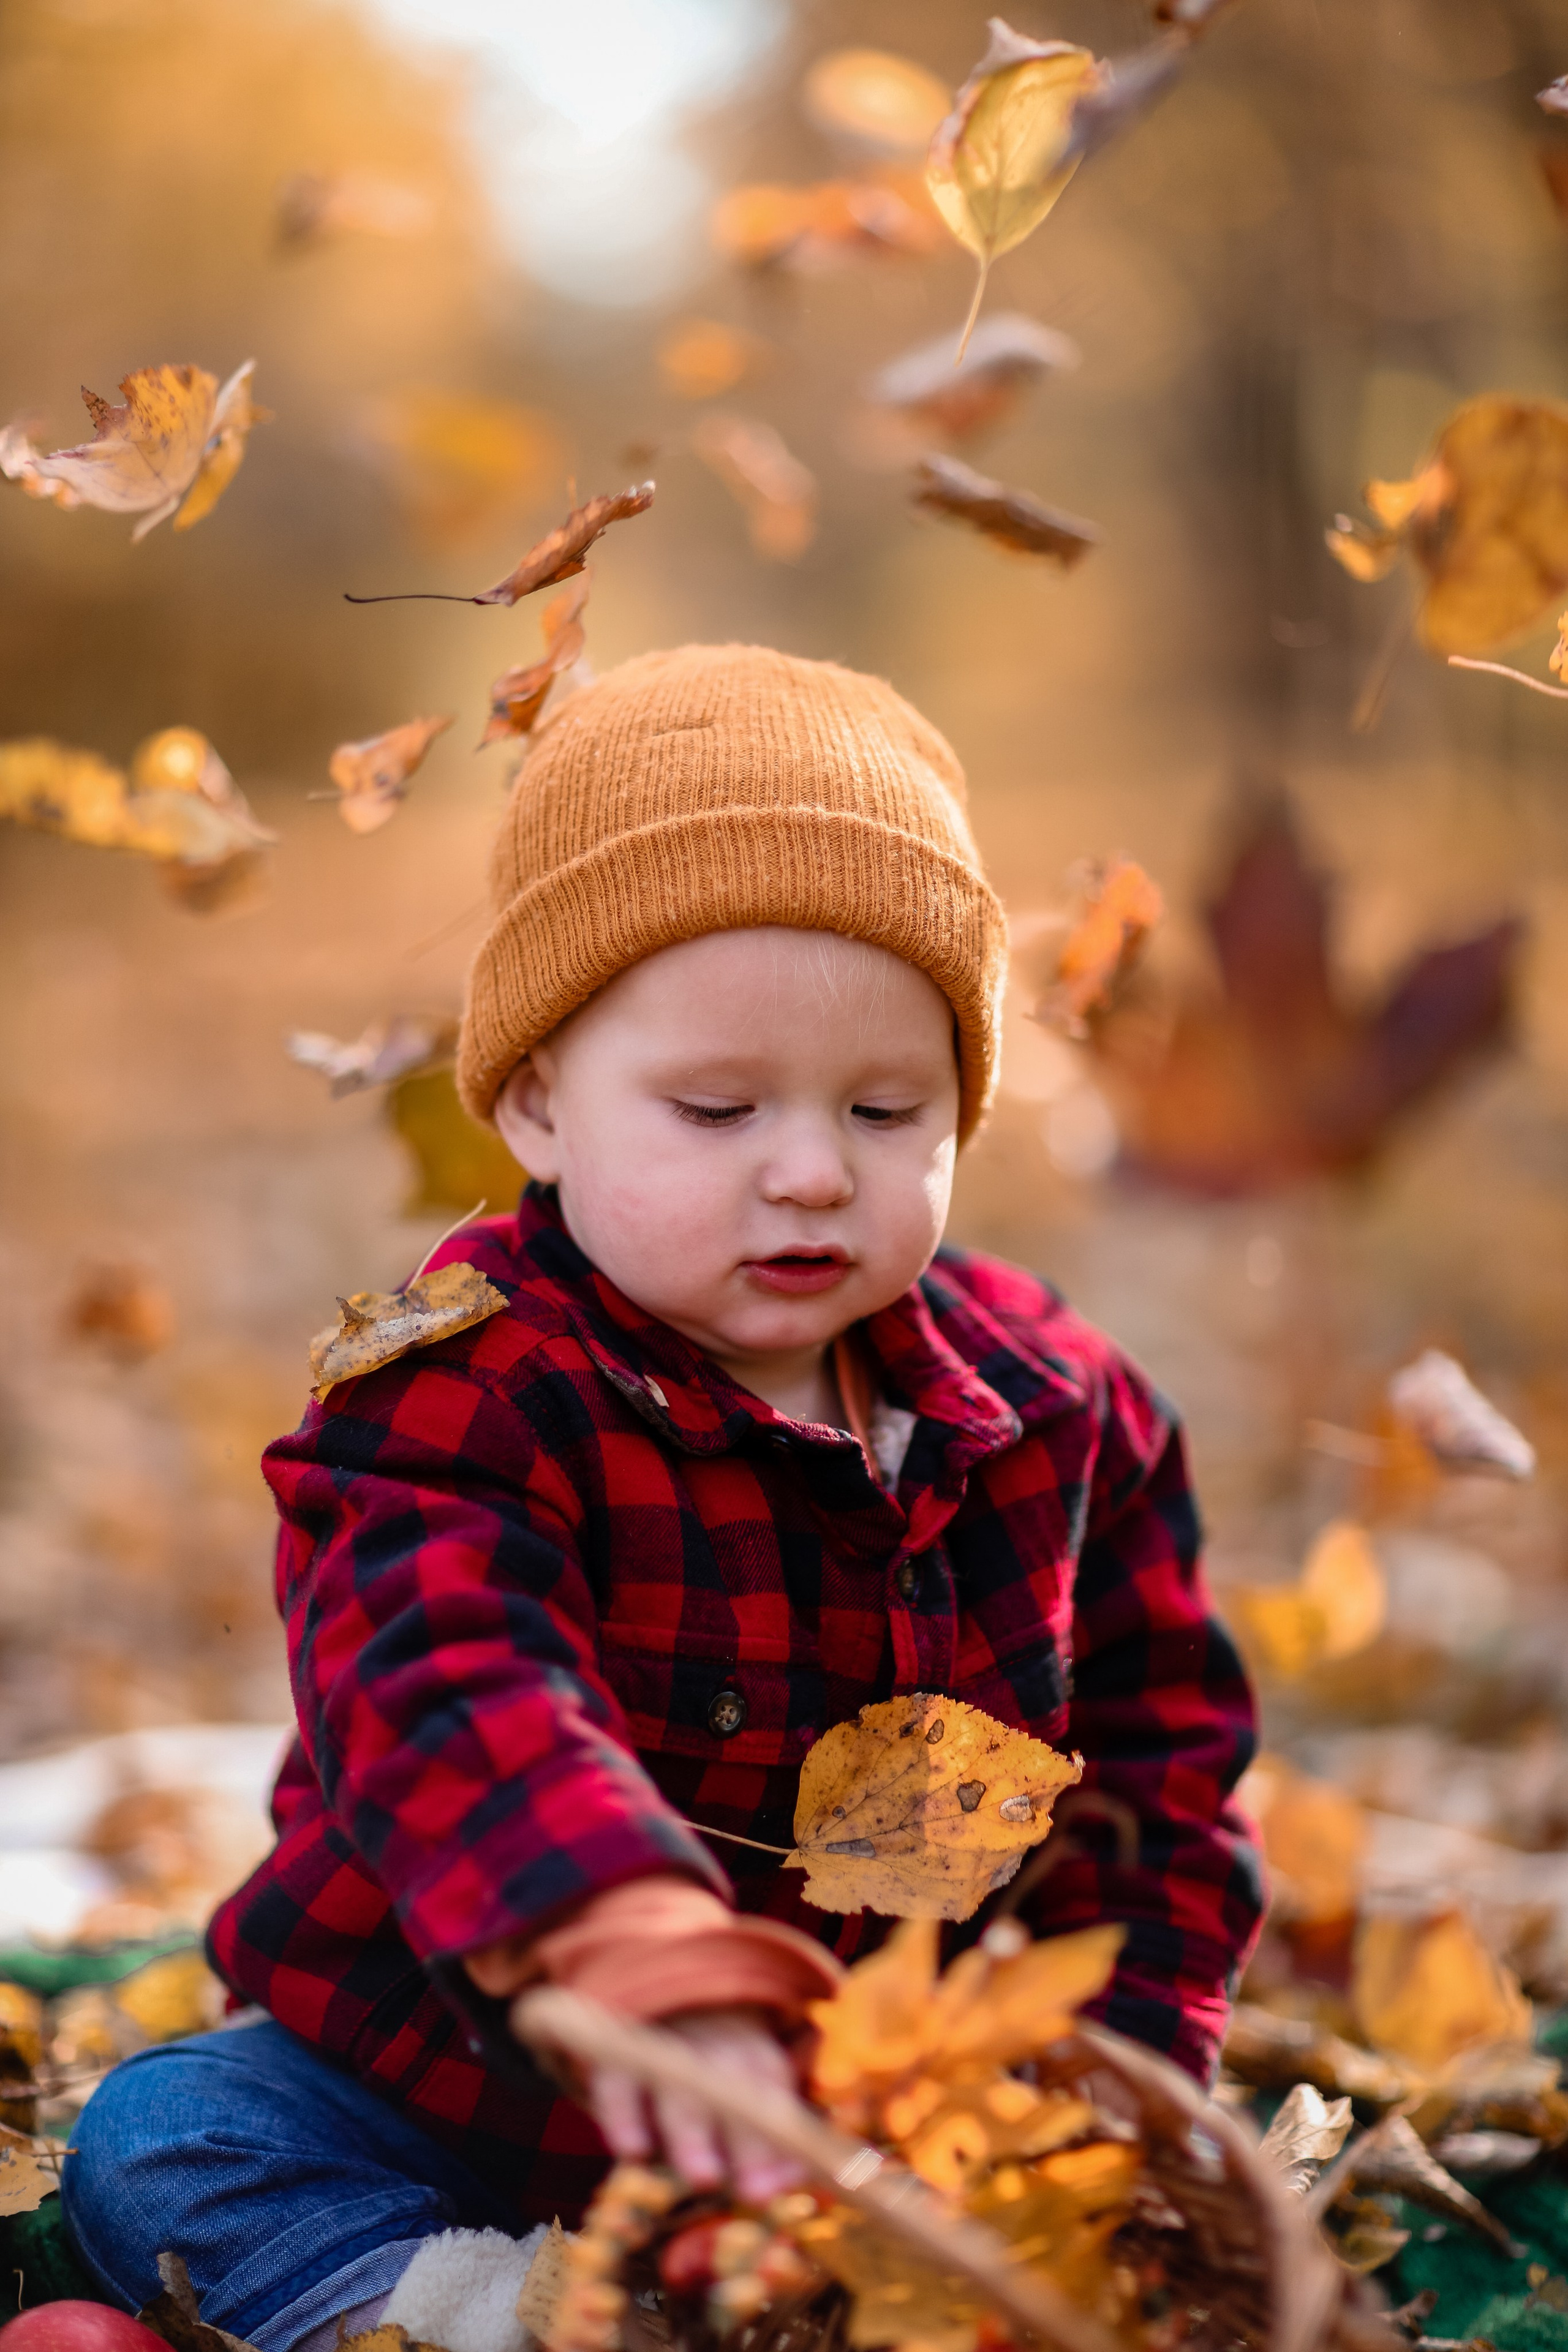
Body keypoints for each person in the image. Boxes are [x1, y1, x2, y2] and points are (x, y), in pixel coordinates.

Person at [62, 645, 1262, 2352]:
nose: (808, 1167)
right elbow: (444, 1679)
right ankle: (479, 2316)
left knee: (1025, 2240)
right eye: (715, 1107)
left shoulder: (1061, 1411)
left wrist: (1128, 2083)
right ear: (540, 1100)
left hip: (816, 2122)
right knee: (166, 2141)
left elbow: (1161, 1775)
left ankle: (715, 2310)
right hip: (443, 2075)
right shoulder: (460, 1388)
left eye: (887, 1108)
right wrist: (631, 1950)